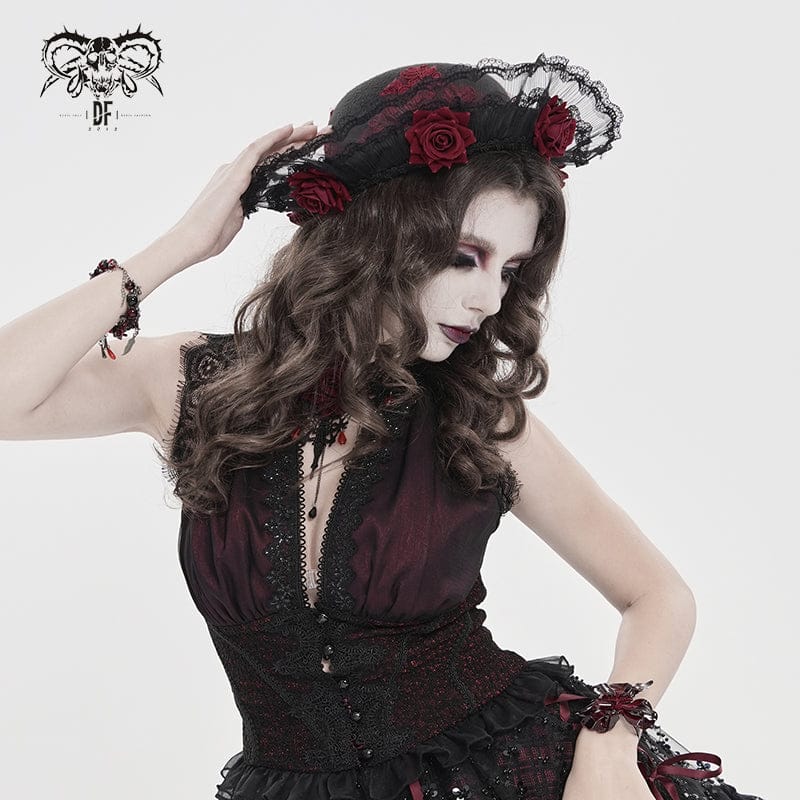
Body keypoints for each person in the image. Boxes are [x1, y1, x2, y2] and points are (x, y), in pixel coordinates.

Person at [0, 56, 765, 800]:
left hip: (510, 774)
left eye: (509, 270)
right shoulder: (195, 384)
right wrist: (181, 245)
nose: (489, 299)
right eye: (466, 257)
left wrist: (608, 746)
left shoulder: (479, 418)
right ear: (379, 234)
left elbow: (658, 594)